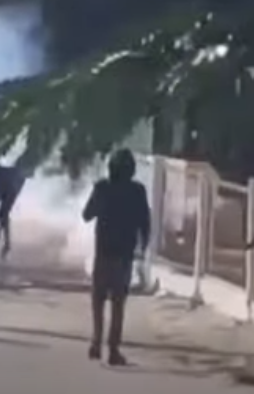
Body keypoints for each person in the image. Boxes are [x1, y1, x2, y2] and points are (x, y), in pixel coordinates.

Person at [82, 149, 150, 366]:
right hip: (124, 255)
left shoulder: (102, 188)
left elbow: (86, 215)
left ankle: (95, 342)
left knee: (98, 301)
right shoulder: (138, 191)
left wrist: (102, 202)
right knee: (118, 304)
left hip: (103, 253)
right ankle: (113, 349)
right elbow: (145, 223)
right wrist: (143, 247)